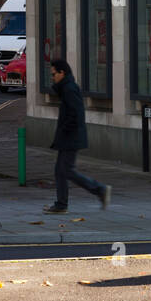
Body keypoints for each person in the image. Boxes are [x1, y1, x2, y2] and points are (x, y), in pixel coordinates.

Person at [44, 59, 111, 214]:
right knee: (60, 170)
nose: (52, 77)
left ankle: (100, 190)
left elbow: (76, 114)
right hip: (68, 136)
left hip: (71, 137)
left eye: (54, 74)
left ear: (62, 73)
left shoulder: (69, 88)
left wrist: (65, 130)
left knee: (67, 170)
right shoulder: (66, 88)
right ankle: (61, 204)